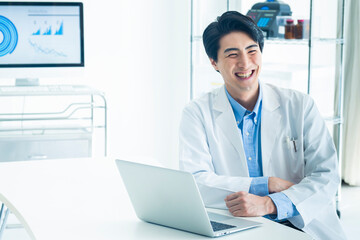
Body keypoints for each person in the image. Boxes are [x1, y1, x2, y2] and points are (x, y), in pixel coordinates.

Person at [179, 11, 346, 240]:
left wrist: (270, 203)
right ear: (214, 62)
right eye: (232, 54)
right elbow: (195, 181)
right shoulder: (196, 113)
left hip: (302, 224)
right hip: (240, 226)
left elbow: (326, 175)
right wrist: (265, 184)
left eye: (252, 51)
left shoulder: (300, 105)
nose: (245, 63)